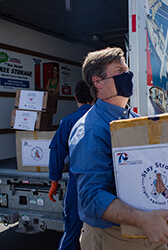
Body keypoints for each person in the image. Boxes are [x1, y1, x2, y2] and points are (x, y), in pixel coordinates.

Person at [68, 47, 168, 250]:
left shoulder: (132, 119)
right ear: (98, 82)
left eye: (127, 69)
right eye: (119, 71)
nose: (128, 75)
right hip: (113, 237)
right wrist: (143, 219)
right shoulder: (91, 129)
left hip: (147, 228)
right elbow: (91, 197)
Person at [48, 80, 94, 250]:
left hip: (77, 182)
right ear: (94, 97)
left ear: (75, 97)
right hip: (104, 183)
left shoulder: (68, 121)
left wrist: (54, 180)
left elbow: (56, 151)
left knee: (71, 231)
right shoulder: (106, 119)